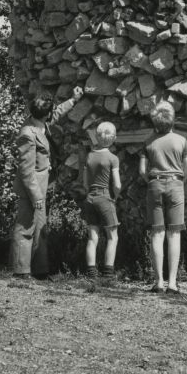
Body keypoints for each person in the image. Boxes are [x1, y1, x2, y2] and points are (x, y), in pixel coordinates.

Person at [11, 85, 83, 280]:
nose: (53, 113)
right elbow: (26, 171)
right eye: (50, 111)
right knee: (25, 227)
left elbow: (57, 112)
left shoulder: (42, 122)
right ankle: (21, 270)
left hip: (42, 184)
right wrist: (35, 195)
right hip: (31, 187)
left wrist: (73, 99)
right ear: (44, 113)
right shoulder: (27, 134)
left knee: (40, 227)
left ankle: (40, 270)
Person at [139, 102, 187, 294]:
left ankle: (158, 281)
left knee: (157, 233)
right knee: (174, 233)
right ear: (172, 120)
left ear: (154, 121)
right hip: (176, 184)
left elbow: (142, 171)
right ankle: (172, 283)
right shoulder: (181, 140)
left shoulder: (148, 142)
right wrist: (181, 180)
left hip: (155, 184)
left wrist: (152, 180)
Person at [81, 121, 122, 282]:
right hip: (105, 197)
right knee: (113, 236)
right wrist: (115, 197)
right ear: (114, 139)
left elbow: (84, 183)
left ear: (97, 137)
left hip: (90, 197)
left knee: (92, 237)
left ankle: (91, 273)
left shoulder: (89, 156)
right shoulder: (113, 158)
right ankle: (108, 274)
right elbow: (117, 184)